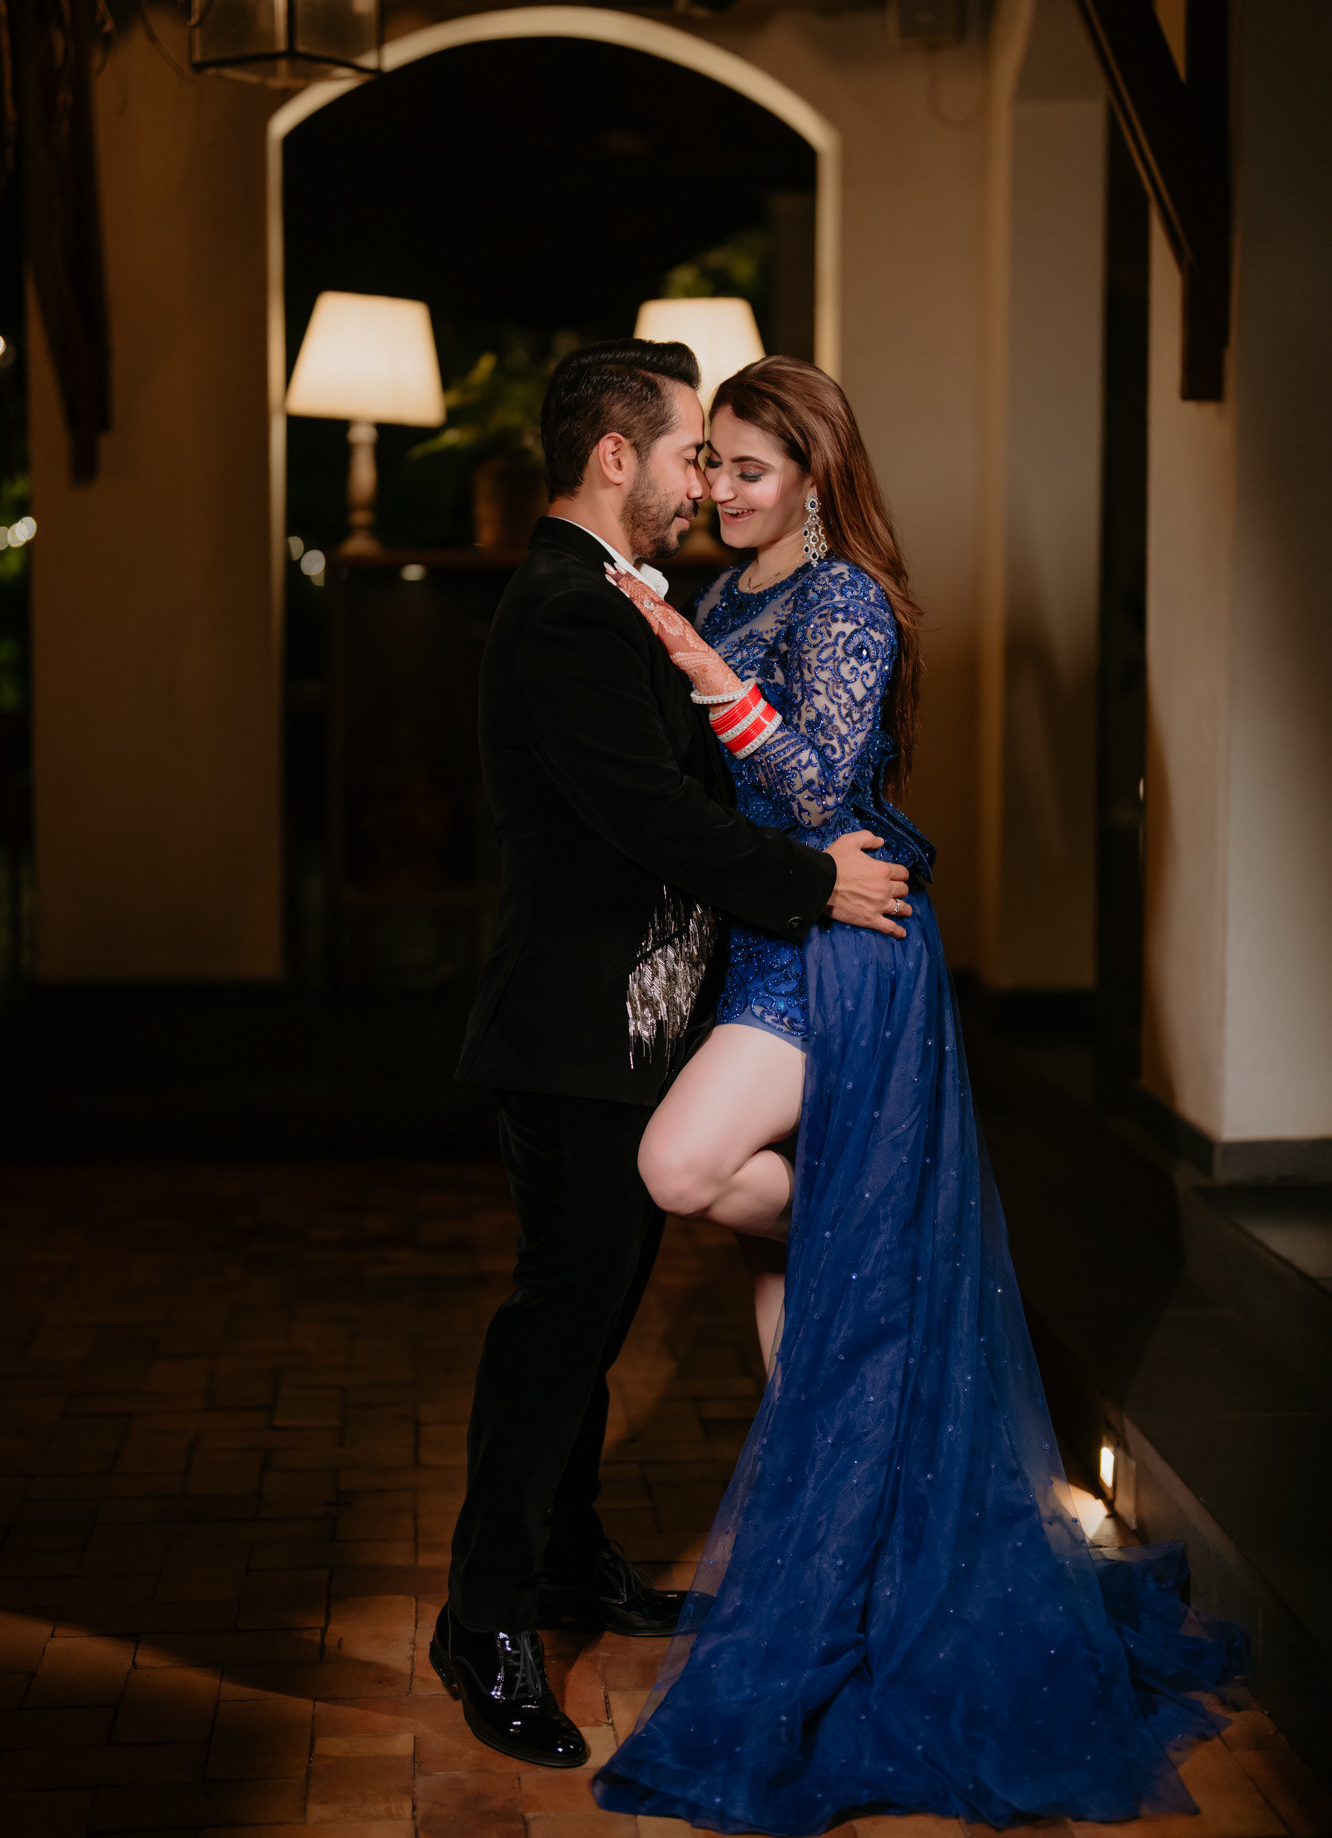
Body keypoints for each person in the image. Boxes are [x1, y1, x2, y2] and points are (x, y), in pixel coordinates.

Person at [595, 356, 1245, 1833]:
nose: (720, 490)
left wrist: (694, 665)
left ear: (814, 480)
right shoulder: (731, 590)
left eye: (749, 469)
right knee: (799, 1318)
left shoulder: (846, 603)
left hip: (842, 951)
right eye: (713, 466)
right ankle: (851, 1576)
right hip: (764, 937)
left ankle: (882, 1231)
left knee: (681, 1167)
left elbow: (817, 791)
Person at [430, 339, 916, 1771]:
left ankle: (566, 1557)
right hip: (576, 1030)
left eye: (723, 457)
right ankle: (484, 1619)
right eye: (688, 451)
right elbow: (651, 813)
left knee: (590, 1325)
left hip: (630, 1031)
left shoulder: (619, 596)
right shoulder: (568, 611)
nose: (700, 479)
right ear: (613, 457)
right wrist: (813, 883)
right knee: (554, 1330)